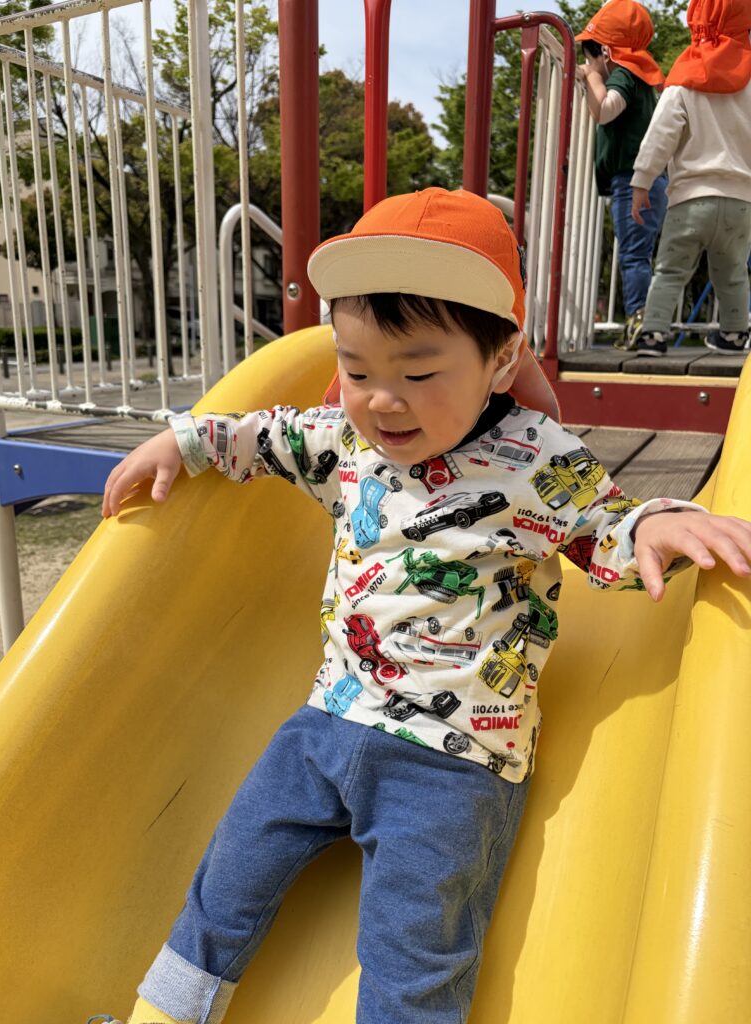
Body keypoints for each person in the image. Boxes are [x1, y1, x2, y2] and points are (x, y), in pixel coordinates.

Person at [96, 188, 751, 1024]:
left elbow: (601, 525)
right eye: (358, 371)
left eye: (417, 373)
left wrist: (655, 525)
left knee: (414, 952)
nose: (382, 399)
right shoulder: (348, 441)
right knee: (228, 874)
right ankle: (168, 1014)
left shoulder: (533, 459)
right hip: (326, 720)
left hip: (453, 758)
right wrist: (185, 441)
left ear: (501, 362)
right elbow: (269, 435)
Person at [630, 0, 751, 357]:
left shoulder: (685, 78)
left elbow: (661, 134)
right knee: (732, 271)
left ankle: (654, 334)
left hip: (691, 200)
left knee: (670, 271)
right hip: (741, 202)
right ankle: (734, 333)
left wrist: (642, 180)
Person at [576, 0, 668, 348]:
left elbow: (605, 110)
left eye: (590, 56)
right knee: (639, 254)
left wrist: (592, 77)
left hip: (634, 180)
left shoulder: (624, 74)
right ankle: (645, 324)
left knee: (633, 256)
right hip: (647, 179)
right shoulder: (641, 77)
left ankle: (642, 326)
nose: (589, 64)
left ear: (605, 51)